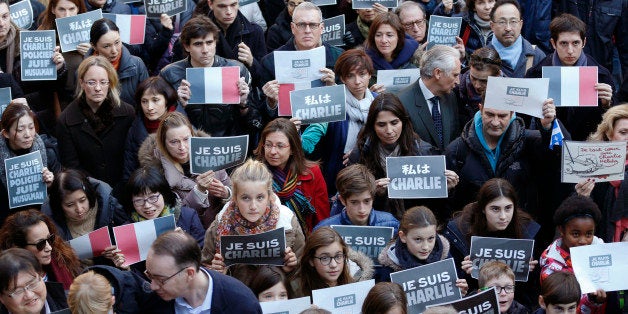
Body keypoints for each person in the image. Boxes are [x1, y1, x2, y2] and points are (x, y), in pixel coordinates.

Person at [445, 93, 561, 215]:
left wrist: (547, 128)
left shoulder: (529, 142)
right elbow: (448, 205)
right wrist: (449, 190)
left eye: (502, 116)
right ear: (480, 109)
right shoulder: (456, 150)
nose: (495, 122)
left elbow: (554, 162)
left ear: (512, 113)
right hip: (474, 228)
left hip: (519, 227)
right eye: (490, 114)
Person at [348, 93, 458, 219]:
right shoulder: (361, 153)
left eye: (394, 123)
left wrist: (446, 189)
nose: (389, 131)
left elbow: (435, 209)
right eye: (381, 125)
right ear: (372, 126)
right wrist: (375, 194)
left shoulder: (423, 152)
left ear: (404, 122)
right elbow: (352, 199)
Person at [160, 15, 262, 141]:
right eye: (198, 44)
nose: (205, 50)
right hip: (186, 146)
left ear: (215, 43)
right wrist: (179, 105)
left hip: (228, 142)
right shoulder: (169, 74)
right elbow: (160, 121)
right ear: (187, 47)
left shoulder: (236, 70)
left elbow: (255, 124)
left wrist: (244, 104)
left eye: (209, 43)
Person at [201, 159, 304, 283]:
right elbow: (204, 271)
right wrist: (217, 273)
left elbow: (302, 273)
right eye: (245, 198)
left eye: (260, 197)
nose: (253, 206)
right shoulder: (219, 224)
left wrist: (289, 269)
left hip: (275, 299)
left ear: (269, 196)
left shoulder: (287, 222)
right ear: (235, 198)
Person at [300, 49, 382, 196]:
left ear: (370, 74)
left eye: (362, 74)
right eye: (350, 76)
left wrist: (361, 150)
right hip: (337, 178)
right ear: (343, 79)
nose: (357, 81)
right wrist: (297, 133)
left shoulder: (379, 103)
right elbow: (307, 145)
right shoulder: (332, 102)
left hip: (373, 174)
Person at [525, 13, 615, 141]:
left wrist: (607, 104)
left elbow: (613, 126)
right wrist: (544, 124)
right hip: (550, 149)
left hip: (588, 147)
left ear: (584, 42)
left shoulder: (601, 75)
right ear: (553, 43)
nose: (570, 50)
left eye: (575, 43)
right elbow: (523, 122)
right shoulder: (536, 75)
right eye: (564, 43)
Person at [138, 111, 232, 228]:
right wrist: (199, 191)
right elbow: (173, 215)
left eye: (186, 139)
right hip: (187, 236)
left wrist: (226, 192)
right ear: (163, 143)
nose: (182, 147)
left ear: (193, 136)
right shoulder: (155, 171)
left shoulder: (210, 154)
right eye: (174, 142)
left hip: (218, 229)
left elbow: (233, 189)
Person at [56, 56, 135, 194]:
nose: (98, 88)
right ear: (82, 83)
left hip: (125, 188)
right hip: (88, 192)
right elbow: (72, 166)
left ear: (110, 83)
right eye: (91, 82)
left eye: (103, 82)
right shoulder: (66, 120)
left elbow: (131, 156)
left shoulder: (127, 113)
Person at [145, 231, 263, 313]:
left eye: (160, 279)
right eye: (149, 276)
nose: (153, 286)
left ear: (189, 274)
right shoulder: (152, 302)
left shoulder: (241, 304)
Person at [260, 2, 341, 119]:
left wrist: (333, 88)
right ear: (293, 28)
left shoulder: (338, 57)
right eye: (302, 25)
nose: (307, 30)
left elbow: (346, 105)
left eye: (313, 25)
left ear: (322, 28)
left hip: (327, 128)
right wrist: (271, 102)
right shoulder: (271, 62)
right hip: (288, 128)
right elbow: (261, 113)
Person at [444, 178, 539, 276]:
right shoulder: (459, 231)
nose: (503, 216)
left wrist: (529, 271)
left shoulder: (526, 228)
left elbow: (533, 286)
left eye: (508, 208)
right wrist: (465, 272)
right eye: (495, 209)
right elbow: (455, 281)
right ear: (483, 209)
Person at [539, 195, 615, 313]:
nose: (583, 241)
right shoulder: (550, 266)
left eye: (589, 234)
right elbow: (563, 307)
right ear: (561, 231)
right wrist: (592, 300)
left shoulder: (602, 251)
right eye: (575, 234)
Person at [255, 118, 330, 234]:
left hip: (305, 242)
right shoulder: (255, 174)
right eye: (268, 145)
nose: (272, 151)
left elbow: (322, 220)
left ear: (292, 149)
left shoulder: (313, 172)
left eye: (280, 146)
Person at [43, 168, 128, 268]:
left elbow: (128, 232)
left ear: (89, 195)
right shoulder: (51, 220)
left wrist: (118, 250)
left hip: (112, 269)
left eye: (82, 200)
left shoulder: (107, 204)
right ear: (59, 205)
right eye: (70, 205)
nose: (79, 209)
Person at [376, 206, 468, 296]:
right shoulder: (389, 268)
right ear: (403, 236)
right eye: (418, 239)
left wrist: (460, 291)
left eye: (431, 238)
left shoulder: (445, 257)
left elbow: (454, 295)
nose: (425, 247)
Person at [576, 104, 628, 242]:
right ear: (609, 135)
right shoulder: (593, 169)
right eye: (623, 133)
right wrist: (583, 198)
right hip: (602, 247)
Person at [396, 45, 461, 153]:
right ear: (438, 73)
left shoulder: (450, 96)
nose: (458, 81)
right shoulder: (402, 103)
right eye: (455, 75)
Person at [0, 103, 59, 223]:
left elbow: (60, 193)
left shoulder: (46, 150)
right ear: (6, 133)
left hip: (41, 217)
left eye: (31, 128)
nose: (28, 135)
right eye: (20, 130)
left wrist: (51, 183)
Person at [0, 210, 81, 290]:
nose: (49, 248)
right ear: (18, 248)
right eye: (40, 244)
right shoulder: (11, 283)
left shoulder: (61, 261)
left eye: (50, 239)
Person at [123, 167, 205, 246]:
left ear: (164, 195)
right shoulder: (127, 230)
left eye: (153, 198)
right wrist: (116, 259)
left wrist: (186, 244)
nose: (147, 205)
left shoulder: (188, 217)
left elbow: (203, 255)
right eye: (139, 200)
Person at [314, 164, 399, 233]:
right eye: (354, 202)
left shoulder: (391, 225)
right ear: (342, 200)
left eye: (366, 201)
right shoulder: (326, 230)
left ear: (373, 197)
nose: (362, 210)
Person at [123, 76, 177, 182]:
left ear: (167, 100)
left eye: (155, 100)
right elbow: (129, 170)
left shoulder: (182, 124)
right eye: (144, 101)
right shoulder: (135, 130)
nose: (149, 107)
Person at [293, 226, 373, 297]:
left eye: (338, 256)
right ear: (311, 261)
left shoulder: (358, 283)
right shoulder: (296, 291)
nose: (333, 265)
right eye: (325, 258)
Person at [37, 0, 89, 109]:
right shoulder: (42, 34)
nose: (67, 15)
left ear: (78, 9)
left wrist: (93, 52)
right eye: (61, 9)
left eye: (71, 9)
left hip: (86, 98)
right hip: (56, 103)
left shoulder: (90, 31)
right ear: (53, 9)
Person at [87, 18, 149, 107]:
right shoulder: (83, 71)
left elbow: (146, 101)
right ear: (94, 46)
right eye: (106, 46)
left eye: (117, 42)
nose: (114, 50)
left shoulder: (137, 64)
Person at [486, 0, 545, 78]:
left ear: (521, 24)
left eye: (513, 21)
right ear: (492, 26)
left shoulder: (537, 56)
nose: (508, 28)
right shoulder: (482, 58)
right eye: (502, 22)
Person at [0, 248, 68, 314]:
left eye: (32, 284)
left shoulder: (72, 303)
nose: (29, 295)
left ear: (41, 277)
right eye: (18, 291)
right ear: (1, 298)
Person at [364, 12, 418, 84]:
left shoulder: (416, 61)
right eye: (378, 35)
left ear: (399, 37)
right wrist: (370, 94)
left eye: (389, 35)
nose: (383, 40)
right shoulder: (364, 63)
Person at [458, 47, 503, 124]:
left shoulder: (508, 93)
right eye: (473, 78)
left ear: (498, 75)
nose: (477, 85)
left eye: (484, 81)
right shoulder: (455, 89)